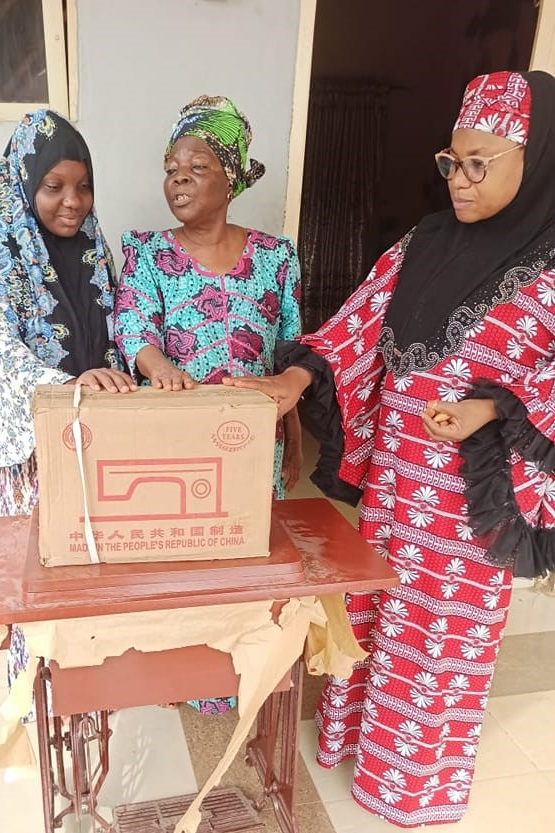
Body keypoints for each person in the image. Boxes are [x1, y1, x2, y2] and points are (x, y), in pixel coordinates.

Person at [223, 70, 555, 825]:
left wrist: (490, 406)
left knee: (437, 631)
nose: (458, 182)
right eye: (451, 162)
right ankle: (352, 738)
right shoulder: (427, 239)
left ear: (530, 164)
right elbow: (358, 319)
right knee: (374, 604)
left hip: (474, 493)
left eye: (480, 164)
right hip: (401, 474)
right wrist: (293, 378)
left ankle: (412, 784)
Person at [113, 94, 304, 714]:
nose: (178, 182)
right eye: (171, 169)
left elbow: (291, 355)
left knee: (246, 556)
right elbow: (131, 324)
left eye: (195, 168)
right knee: (179, 557)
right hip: (174, 444)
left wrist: (294, 438)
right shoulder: (147, 252)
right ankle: (182, 677)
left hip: (251, 447)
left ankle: (238, 677)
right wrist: (159, 366)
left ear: (232, 179)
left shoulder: (277, 259)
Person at [0, 110, 135, 698]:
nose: (73, 202)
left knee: (95, 566)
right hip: (39, 444)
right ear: (24, 178)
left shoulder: (91, 243)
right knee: (43, 575)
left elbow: (114, 329)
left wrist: (116, 377)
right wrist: (67, 387)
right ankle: (36, 699)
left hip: (96, 433)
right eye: (54, 186)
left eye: (83, 185)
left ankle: (90, 687)